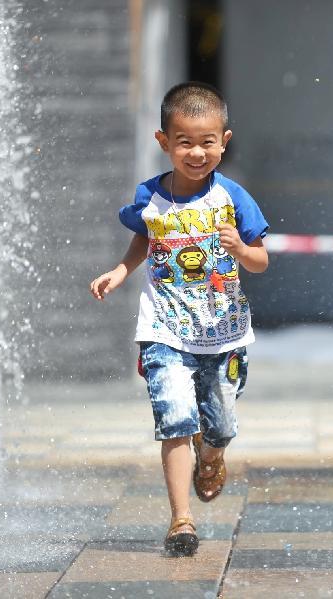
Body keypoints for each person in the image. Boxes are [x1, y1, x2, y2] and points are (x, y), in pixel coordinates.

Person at [89, 82, 269, 556]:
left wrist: (241, 249)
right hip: (163, 329)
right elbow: (143, 240)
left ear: (224, 141)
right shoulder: (150, 196)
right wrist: (120, 271)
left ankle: (212, 455)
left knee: (221, 424)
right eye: (184, 142)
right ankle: (181, 520)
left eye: (207, 142)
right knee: (174, 420)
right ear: (163, 142)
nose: (196, 152)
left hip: (223, 333)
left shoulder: (233, 199)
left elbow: (261, 262)